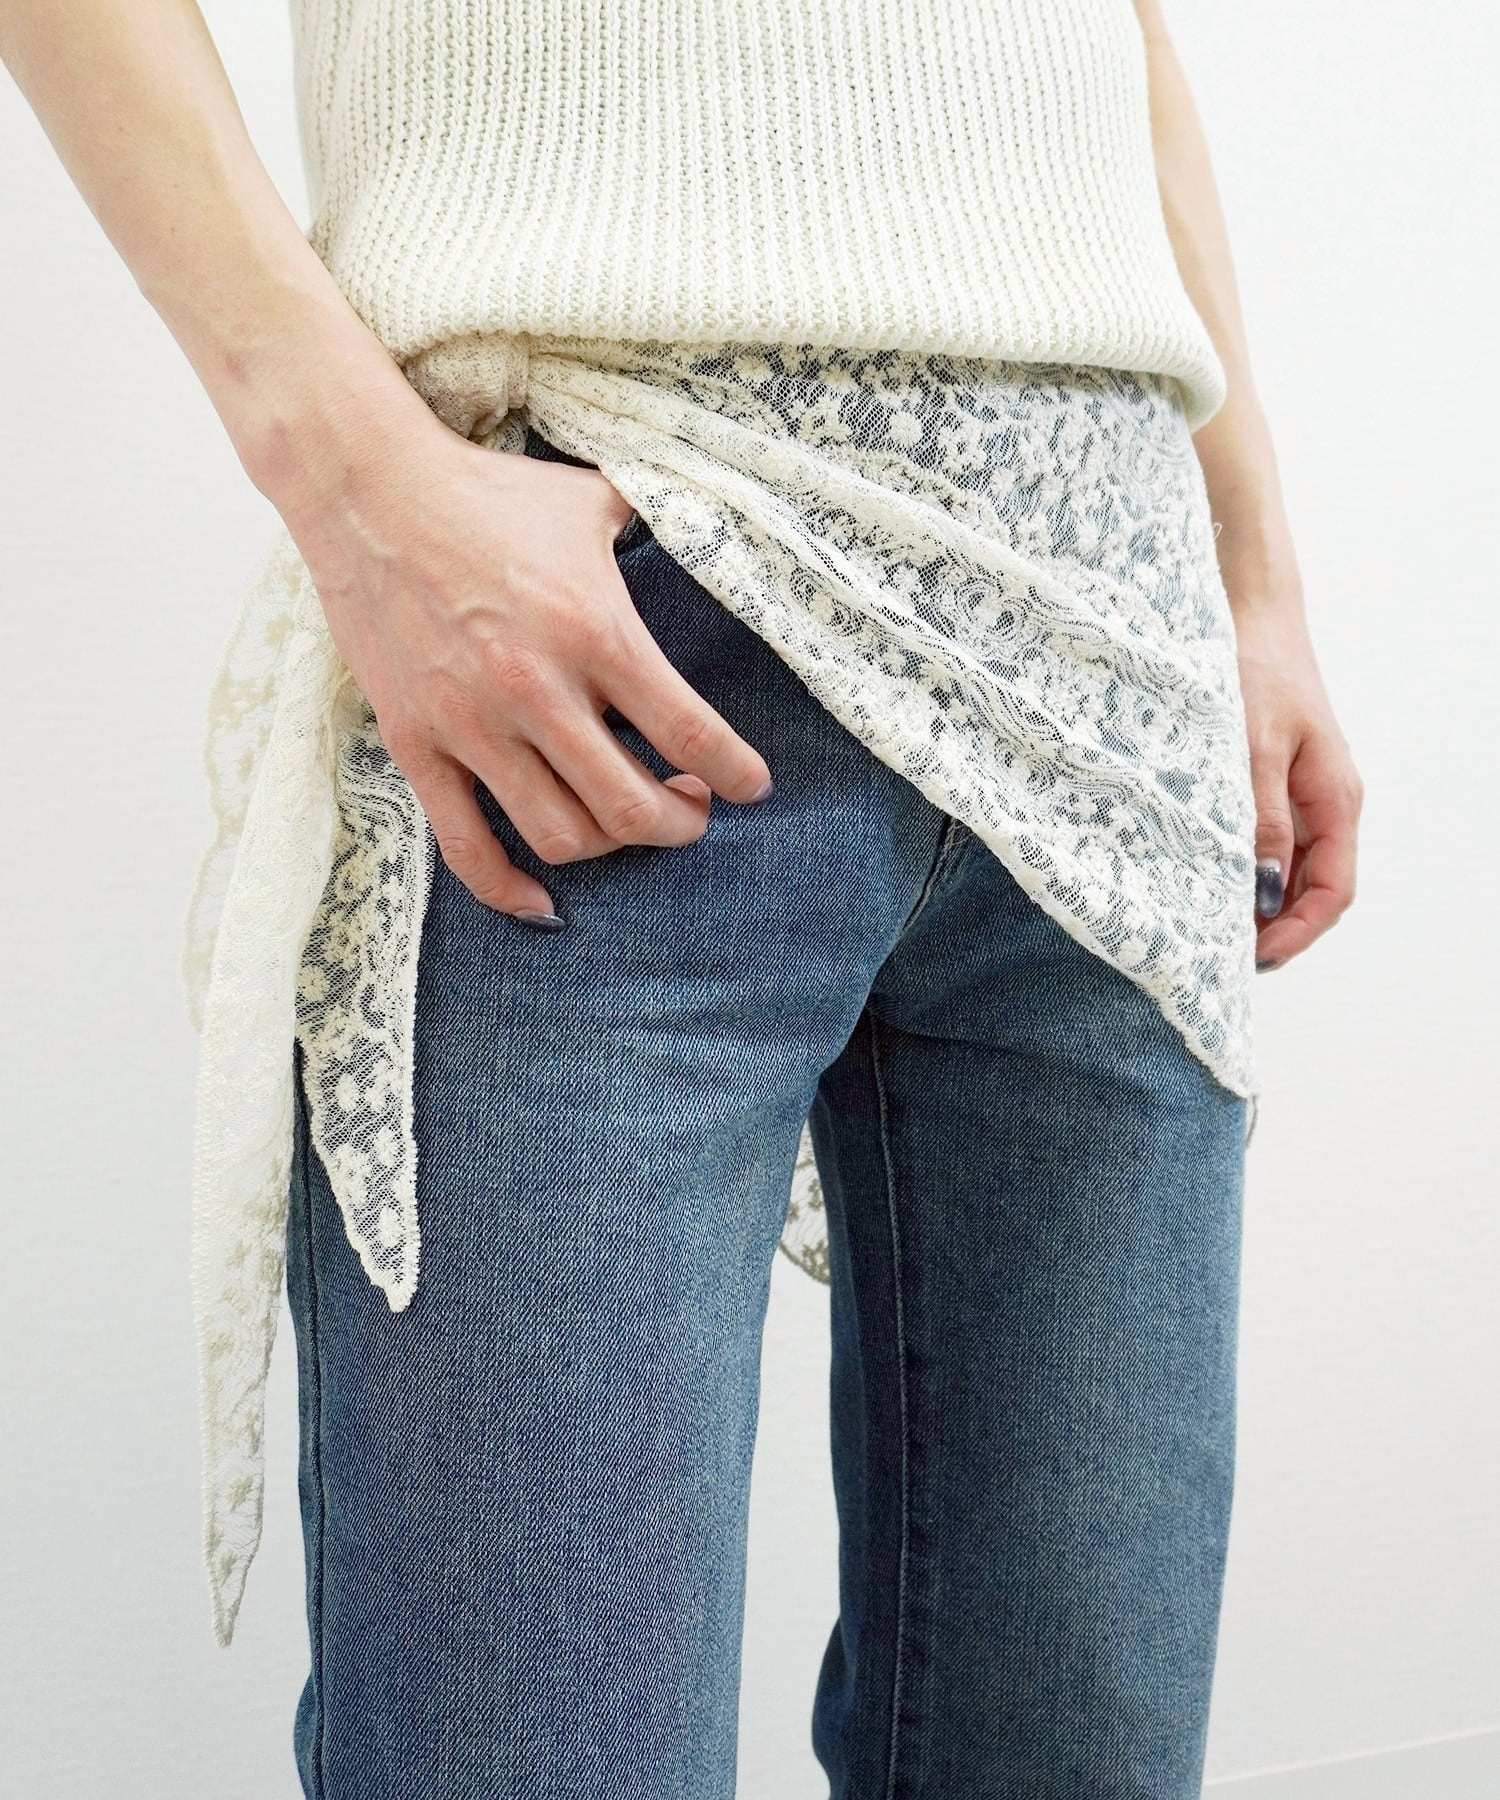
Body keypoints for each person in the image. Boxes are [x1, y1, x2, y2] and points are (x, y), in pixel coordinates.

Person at [2, 1, 1362, 1794]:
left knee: (1078, 1754)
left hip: (1108, 659)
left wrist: (1254, 577)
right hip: (607, 640)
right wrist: (357, 484)